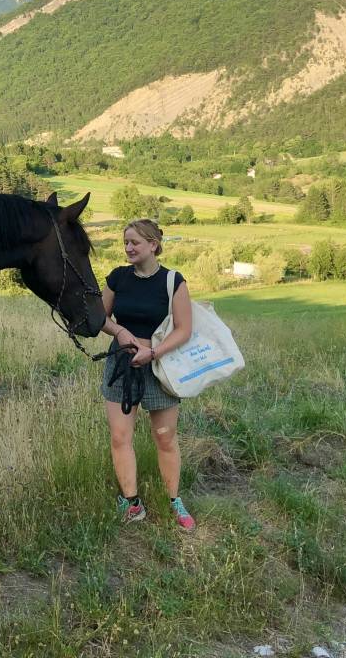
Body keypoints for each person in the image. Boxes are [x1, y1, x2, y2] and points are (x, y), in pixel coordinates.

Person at [99, 218, 196, 531]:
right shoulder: (117, 278)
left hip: (160, 368)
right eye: (125, 242)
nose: (128, 248)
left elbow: (184, 329)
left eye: (135, 243)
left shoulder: (173, 281)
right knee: (120, 437)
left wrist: (153, 352)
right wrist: (120, 331)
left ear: (153, 245)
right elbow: (100, 317)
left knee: (165, 439)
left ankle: (174, 500)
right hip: (121, 368)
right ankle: (132, 502)